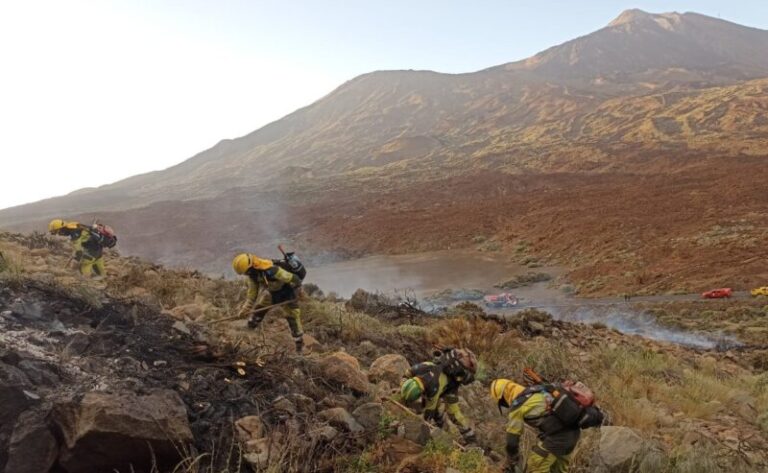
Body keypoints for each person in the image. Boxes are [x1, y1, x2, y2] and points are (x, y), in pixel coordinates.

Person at [490, 378, 604, 473]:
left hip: (557, 439)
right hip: (572, 436)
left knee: (535, 467)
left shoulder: (518, 406)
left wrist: (511, 459)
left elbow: (512, 442)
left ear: (503, 399)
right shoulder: (537, 389)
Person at [397, 347, 478, 443]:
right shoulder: (434, 374)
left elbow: (407, 374)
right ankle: (464, 434)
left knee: (444, 412)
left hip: (438, 397)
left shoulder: (428, 367)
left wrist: (403, 385)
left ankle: (461, 434)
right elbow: (432, 409)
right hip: (430, 401)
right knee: (444, 412)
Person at [232, 252, 305, 353]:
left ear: (251, 267)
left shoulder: (272, 270)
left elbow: (294, 279)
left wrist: (299, 291)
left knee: (293, 316)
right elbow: (252, 293)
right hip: (272, 291)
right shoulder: (253, 275)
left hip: (287, 291)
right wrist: (245, 309)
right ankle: (250, 327)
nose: (246, 274)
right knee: (260, 308)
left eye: (246, 272)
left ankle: (299, 344)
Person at [48, 219, 117, 279]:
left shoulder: (74, 232)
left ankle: (88, 284)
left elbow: (78, 250)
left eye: (58, 232)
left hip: (92, 250)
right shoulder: (73, 225)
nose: (59, 234)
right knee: (99, 267)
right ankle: (105, 280)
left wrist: (76, 260)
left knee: (84, 266)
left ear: (61, 229)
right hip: (98, 248)